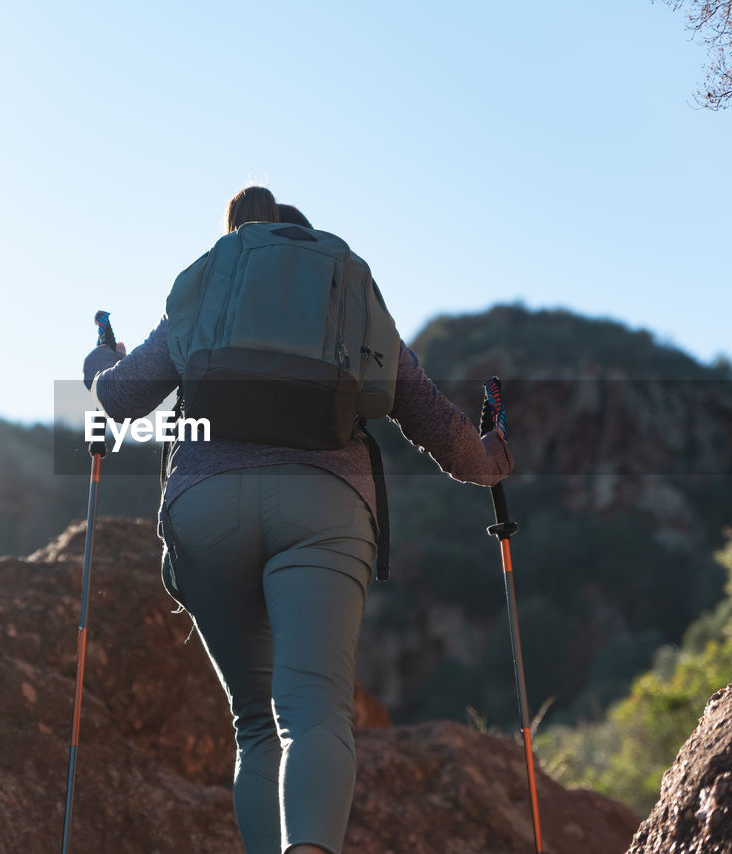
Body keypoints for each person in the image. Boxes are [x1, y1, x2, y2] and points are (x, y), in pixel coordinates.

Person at [82, 185, 512, 854]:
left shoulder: (213, 281)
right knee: (314, 710)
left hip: (207, 508)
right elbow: (434, 423)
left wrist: (101, 360)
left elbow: (121, 398)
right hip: (326, 505)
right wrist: (492, 459)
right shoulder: (346, 292)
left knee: (255, 724)